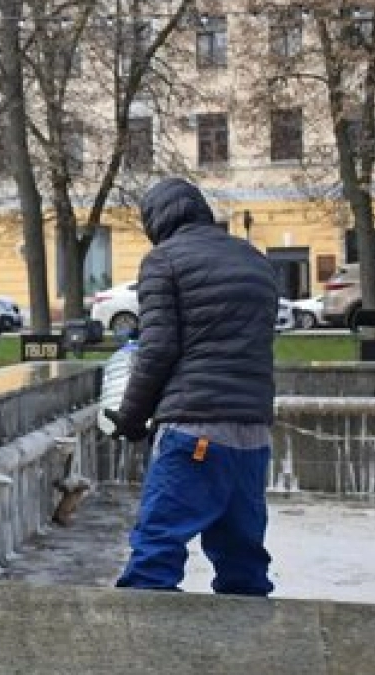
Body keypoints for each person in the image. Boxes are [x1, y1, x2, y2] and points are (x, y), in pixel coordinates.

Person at [105, 177, 278, 596]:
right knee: (244, 566)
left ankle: (151, 654)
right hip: (253, 436)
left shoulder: (163, 260)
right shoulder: (254, 259)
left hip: (194, 432)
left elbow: (157, 349)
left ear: (155, 220)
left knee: (153, 558)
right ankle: (249, 652)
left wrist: (129, 419)